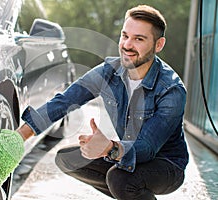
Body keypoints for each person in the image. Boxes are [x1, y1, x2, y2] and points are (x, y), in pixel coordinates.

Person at [16, 5, 189, 200]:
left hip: (166, 165)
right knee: (67, 159)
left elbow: (147, 147)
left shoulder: (171, 90)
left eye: (139, 39)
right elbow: (65, 101)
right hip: (125, 153)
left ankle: (130, 191)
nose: (127, 45)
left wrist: (110, 148)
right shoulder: (109, 71)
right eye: (125, 36)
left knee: (120, 179)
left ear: (158, 45)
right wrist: (21, 135)